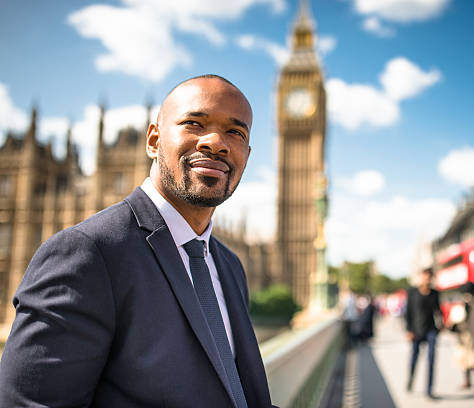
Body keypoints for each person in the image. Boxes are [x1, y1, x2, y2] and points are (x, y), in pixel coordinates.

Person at [0, 75, 275, 407]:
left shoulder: (229, 265)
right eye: (194, 123)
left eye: (235, 132)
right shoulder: (85, 253)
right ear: (153, 140)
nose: (215, 142)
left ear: (246, 152)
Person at [405, 267, 442, 399]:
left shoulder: (435, 294)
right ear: (421, 277)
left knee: (431, 359)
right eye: (424, 276)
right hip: (416, 330)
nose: (426, 279)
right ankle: (410, 379)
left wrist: (440, 326)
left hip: (431, 330)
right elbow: (408, 313)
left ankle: (429, 390)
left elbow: (438, 312)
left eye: (429, 277)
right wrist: (408, 330)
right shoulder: (412, 292)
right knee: (414, 358)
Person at [454, 290, 474, 390]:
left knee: (466, 359)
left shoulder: (466, 304)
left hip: (466, 336)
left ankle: (468, 382)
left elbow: (461, 319)